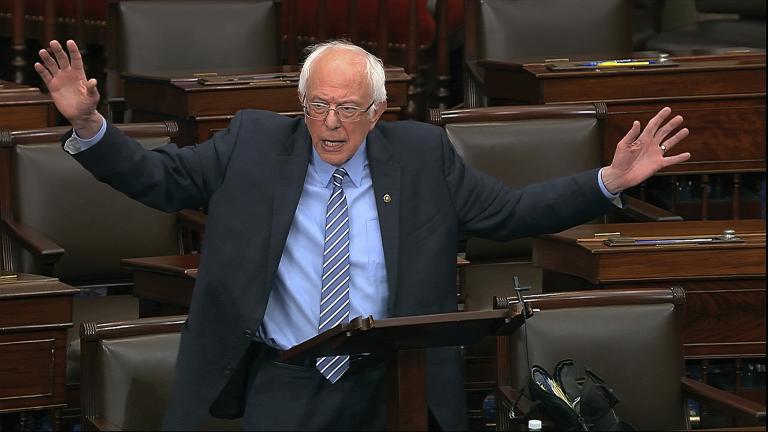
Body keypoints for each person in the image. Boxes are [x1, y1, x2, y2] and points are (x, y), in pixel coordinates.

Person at [35, 39, 690, 431]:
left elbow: (511, 213)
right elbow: (158, 180)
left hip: (391, 378)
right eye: (317, 105)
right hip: (283, 373)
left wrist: (607, 179)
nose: (330, 123)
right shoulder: (253, 144)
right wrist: (91, 127)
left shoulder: (424, 157)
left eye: (348, 108)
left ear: (378, 112)